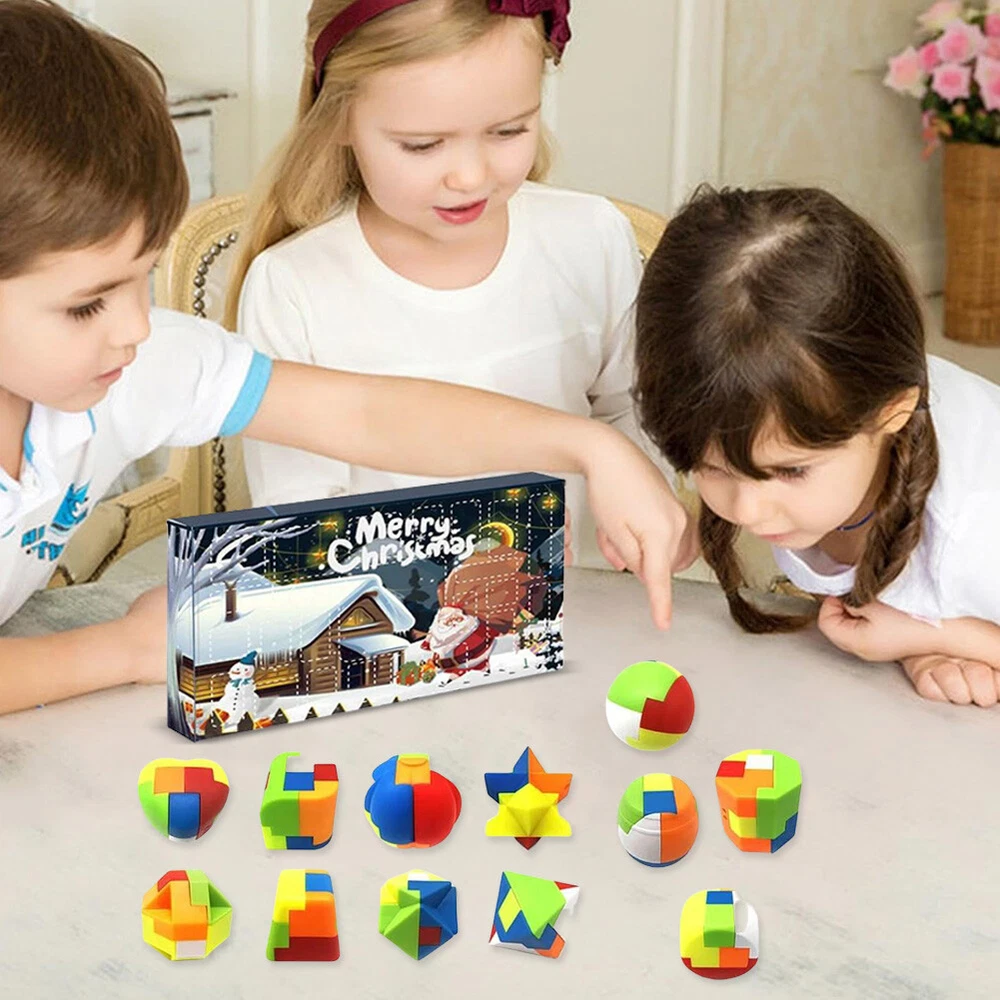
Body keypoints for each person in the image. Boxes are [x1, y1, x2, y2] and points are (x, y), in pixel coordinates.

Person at [0, 1, 693, 716]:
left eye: (142, 278)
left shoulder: (146, 363)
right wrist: (122, 649)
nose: (136, 327)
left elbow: (367, 413)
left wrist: (594, 447)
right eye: (86, 305)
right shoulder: (281, 288)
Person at [227, 0, 660, 568]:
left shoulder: (591, 237)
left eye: (509, 131)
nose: (470, 177)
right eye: (423, 145)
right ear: (337, 117)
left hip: (597, 597)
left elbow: (635, 410)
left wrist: (636, 505)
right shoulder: (292, 285)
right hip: (393, 611)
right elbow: (303, 516)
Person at [633, 184, 1000, 707]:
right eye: (711, 468)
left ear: (892, 411)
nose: (748, 511)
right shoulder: (830, 419)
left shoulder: (978, 527)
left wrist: (941, 636)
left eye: (791, 471)